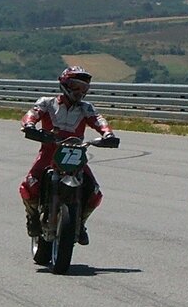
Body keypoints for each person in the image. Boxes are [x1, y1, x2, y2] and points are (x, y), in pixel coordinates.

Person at [19, 66, 118, 245]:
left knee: (94, 192)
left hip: (75, 155)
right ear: (64, 84)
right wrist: (29, 125)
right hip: (49, 153)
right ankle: (32, 217)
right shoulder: (47, 102)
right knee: (29, 185)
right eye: (75, 86)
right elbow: (32, 114)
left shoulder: (86, 108)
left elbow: (98, 119)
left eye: (84, 89)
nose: (79, 92)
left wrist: (107, 135)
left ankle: (80, 223)